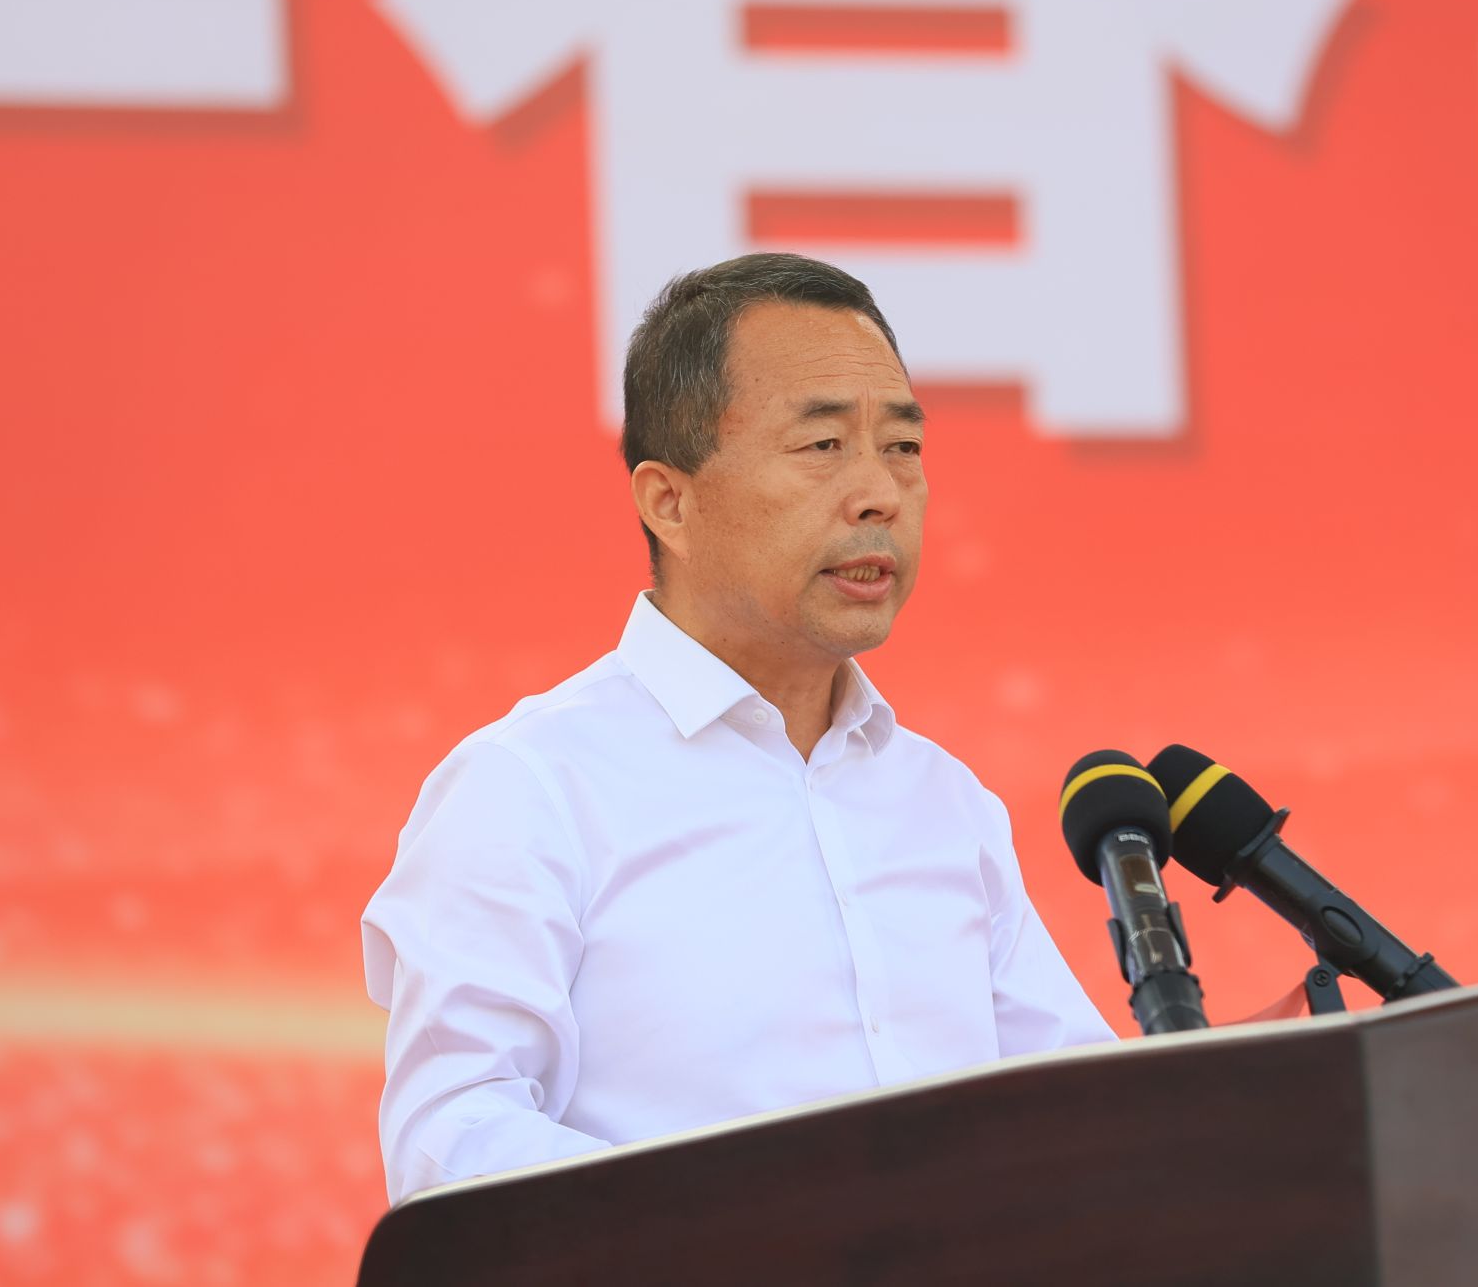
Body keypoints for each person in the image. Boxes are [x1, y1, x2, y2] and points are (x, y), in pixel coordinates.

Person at [360, 253, 1112, 1206]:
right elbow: (452, 1142)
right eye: (822, 444)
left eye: (903, 446)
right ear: (669, 501)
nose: (880, 492)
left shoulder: (944, 802)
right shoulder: (531, 787)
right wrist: (750, 1225)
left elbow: (1078, 1122)